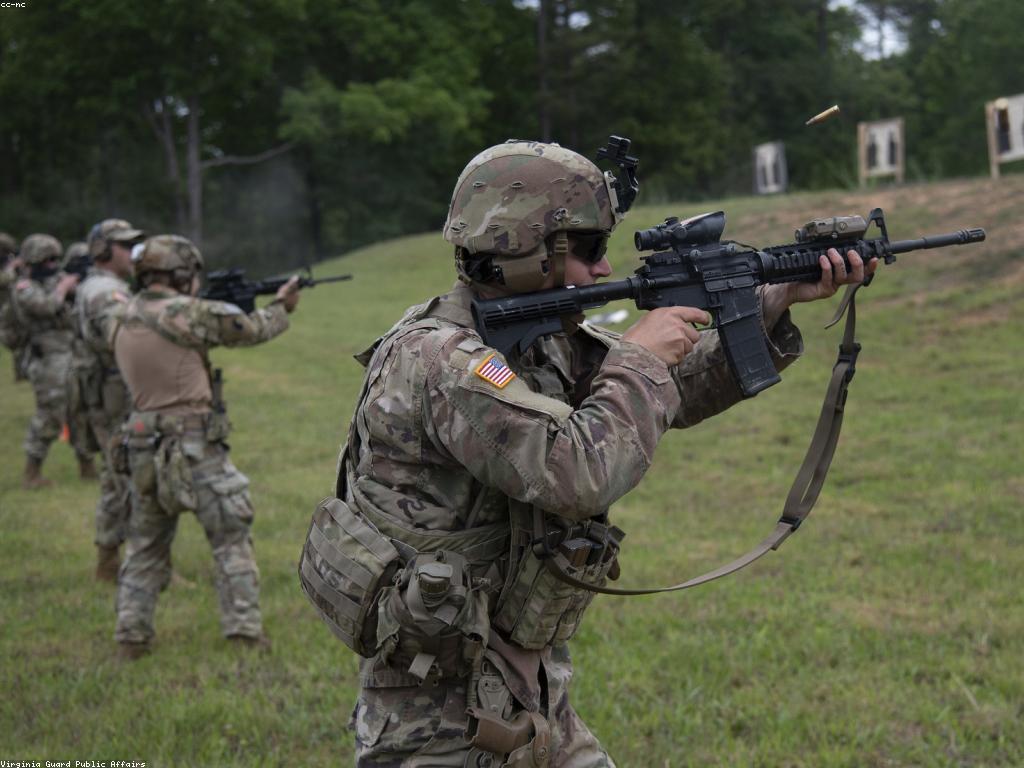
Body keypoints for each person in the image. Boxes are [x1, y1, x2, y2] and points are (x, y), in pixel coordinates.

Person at [298, 140, 877, 767]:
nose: (604, 270)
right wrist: (641, 355)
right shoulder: (440, 360)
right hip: (435, 724)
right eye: (590, 249)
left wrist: (773, 301)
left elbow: (660, 398)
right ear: (526, 249)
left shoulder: (539, 339)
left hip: (527, 693)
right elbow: (577, 471)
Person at [110, 234, 300, 659]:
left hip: (142, 447)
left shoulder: (123, 316)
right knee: (231, 538)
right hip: (194, 445)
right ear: (180, 274)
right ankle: (245, 634)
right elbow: (249, 330)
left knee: (144, 547)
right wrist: (282, 307)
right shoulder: (190, 313)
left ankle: (131, 638)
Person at [72, 219, 145, 581]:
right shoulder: (105, 290)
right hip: (114, 398)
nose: (132, 252)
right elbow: (124, 334)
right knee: (131, 480)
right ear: (102, 250)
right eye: (123, 244)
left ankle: (110, 562)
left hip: (111, 396)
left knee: (115, 478)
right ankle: (139, 566)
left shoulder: (109, 286)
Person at [10, 233, 87, 489]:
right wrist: (63, 288)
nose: (52, 266)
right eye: (47, 261)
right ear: (32, 262)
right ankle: (32, 473)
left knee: (79, 413)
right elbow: (45, 307)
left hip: (70, 356)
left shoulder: (52, 283)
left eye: (55, 260)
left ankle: (86, 465)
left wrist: (73, 288)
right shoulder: (24, 288)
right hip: (47, 362)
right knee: (50, 415)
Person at [0, 232, 28, 381]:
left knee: (21, 338)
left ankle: (22, 373)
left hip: (13, 306)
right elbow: (4, 280)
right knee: (13, 340)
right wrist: (11, 268)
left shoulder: (7, 262)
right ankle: (20, 373)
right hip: (5, 309)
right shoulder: (7, 266)